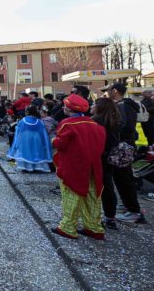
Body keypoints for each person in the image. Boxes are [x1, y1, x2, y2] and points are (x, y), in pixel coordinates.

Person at [51, 94, 106, 240]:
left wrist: (53, 140)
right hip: (93, 166)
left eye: (65, 106)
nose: (63, 108)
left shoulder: (67, 124)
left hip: (73, 165)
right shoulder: (96, 125)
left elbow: (61, 144)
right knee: (92, 196)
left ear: (69, 109)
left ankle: (68, 227)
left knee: (72, 195)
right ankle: (94, 227)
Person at [107, 83, 145, 223]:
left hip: (122, 146)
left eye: (109, 91)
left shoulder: (123, 106)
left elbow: (126, 127)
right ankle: (129, 205)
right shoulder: (123, 105)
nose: (107, 93)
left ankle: (134, 211)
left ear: (115, 91)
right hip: (123, 145)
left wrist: (113, 134)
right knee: (121, 178)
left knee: (124, 178)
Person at [92, 97, 126, 230]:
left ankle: (93, 217)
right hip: (110, 158)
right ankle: (110, 216)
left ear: (100, 107)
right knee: (108, 187)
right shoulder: (115, 120)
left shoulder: (95, 121)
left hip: (98, 157)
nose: (92, 106)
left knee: (94, 187)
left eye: (94, 104)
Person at [6, 105, 52, 172]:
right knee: (35, 151)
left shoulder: (23, 120)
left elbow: (18, 131)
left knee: (26, 151)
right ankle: (36, 167)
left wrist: (17, 142)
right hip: (36, 138)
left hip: (25, 138)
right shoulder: (39, 121)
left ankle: (27, 167)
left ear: (27, 112)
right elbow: (43, 132)